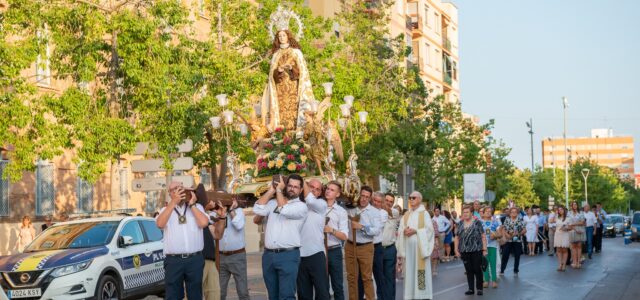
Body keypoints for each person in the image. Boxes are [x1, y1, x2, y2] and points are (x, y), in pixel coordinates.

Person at [253, 174, 308, 300]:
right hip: (268, 256)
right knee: (273, 296)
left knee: (287, 296)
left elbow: (284, 209)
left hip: (288, 256)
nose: (292, 189)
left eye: (295, 187)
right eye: (289, 185)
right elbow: (258, 209)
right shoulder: (273, 203)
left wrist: (278, 191)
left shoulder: (301, 207)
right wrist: (272, 189)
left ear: (300, 190)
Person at [155, 182, 210, 300]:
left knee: (195, 295)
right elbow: (160, 224)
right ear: (170, 194)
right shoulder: (165, 209)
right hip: (174, 261)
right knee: (173, 296)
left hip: (194, 259)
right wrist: (173, 203)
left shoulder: (197, 207)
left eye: (179, 188)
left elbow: (204, 223)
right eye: (173, 189)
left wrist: (192, 205)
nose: (177, 191)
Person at [396, 191, 435, 300]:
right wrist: (404, 231)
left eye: (413, 198)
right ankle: (410, 296)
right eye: (410, 198)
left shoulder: (424, 213)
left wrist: (416, 231)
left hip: (420, 251)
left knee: (420, 272)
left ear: (419, 200)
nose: (411, 200)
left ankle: (422, 296)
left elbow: (430, 231)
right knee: (409, 273)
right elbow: (400, 229)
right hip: (408, 251)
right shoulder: (406, 214)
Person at [345, 186, 381, 300]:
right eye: (362, 195)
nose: (364, 199)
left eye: (367, 197)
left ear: (370, 198)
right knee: (351, 278)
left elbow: (376, 230)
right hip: (350, 246)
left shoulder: (374, 212)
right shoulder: (350, 208)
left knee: (366, 278)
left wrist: (361, 227)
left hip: (366, 247)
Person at [297, 179, 330, 300]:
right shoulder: (297, 205)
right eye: (311, 187)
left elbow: (310, 200)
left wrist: (304, 183)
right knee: (303, 295)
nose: (314, 191)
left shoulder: (321, 204)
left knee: (323, 293)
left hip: (316, 254)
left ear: (321, 192)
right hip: (299, 255)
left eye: (317, 189)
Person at [218, 199, 250, 300]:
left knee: (242, 292)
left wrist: (231, 210)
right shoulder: (215, 213)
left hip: (237, 256)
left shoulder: (239, 211)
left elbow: (239, 225)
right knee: (219, 292)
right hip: (220, 257)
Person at [324, 181, 349, 300]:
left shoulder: (341, 212)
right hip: (319, 251)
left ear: (337, 194)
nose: (328, 191)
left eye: (332, 190)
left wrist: (331, 230)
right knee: (321, 286)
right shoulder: (317, 206)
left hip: (334, 251)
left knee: (337, 286)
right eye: (327, 188)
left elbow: (344, 236)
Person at [455, 206, 487, 296]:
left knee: (477, 269)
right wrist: (456, 250)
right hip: (464, 250)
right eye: (464, 212)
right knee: (469, 270)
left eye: (467, 212)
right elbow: (457, 237)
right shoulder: (460, 223)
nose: (465, 214)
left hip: (476, 249)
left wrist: (484, 249)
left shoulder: (477, 223)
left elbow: (483, 236)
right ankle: (471, 289)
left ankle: (479, 288)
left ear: (471, 213)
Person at [362, 192, 388, 300]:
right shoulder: (365, 209)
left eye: (379, 201)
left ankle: (381, 297)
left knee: (378, 275)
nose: (376, 203)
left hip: (376, 247)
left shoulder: (383, 213)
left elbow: (375, 230)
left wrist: (363, 227)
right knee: (365, 275)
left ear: (382, 203)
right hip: (364, 246)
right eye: (375, 200)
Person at [203, 197, 228, 300]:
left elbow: (217, 235)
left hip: (210, 261)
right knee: (193, 294)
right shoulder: (191, 213)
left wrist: (222, 218)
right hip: (196, 260)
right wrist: (204, 208)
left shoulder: (204, 217)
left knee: (214, 294)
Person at [380, 193, 400, 300]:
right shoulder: (376, 211)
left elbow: (388, 210)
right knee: (379, 278)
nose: (388, 203)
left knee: (389, 278)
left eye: (391, 201)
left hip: (390, 249)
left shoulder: (395, 212)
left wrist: (383, 205)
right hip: (378, 249)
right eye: (386, 200)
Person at [500, 207, 526, 276]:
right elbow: (504, 229)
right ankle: (502, 270)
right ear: (510, 213)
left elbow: (524, 230)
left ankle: (516, 271)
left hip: (517, 240)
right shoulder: (507, 220)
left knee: (517, 256)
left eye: (515, 212)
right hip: (508, 240)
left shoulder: (520, 220)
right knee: (505, 255)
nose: (513, 213)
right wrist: (507, 235)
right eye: (512, 212)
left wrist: (519, 234)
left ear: (517, 213)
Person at [481, 207, 501, 289]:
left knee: (493, 263)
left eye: (490, 211)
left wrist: (495, 235)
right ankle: (486, 280)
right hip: (483, 246)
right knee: (484, 264)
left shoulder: (495, 223)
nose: (488, 212)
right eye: (487, 211)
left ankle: (494, 281)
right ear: (483, 212)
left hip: (493, 245)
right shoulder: (479, 222)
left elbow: (500, 234)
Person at [568, 201, 586, 269]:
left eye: (576, 204)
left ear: (577, 206)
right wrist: (575, 227)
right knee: (573, 247)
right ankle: (574, 262)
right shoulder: (569, 213)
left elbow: (582, 222)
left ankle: (579, 262)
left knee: (579, 246)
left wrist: (574, 224)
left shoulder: (581, 213)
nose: (575, 206)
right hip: (572, 231)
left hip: (580, 231)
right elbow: (569, 223)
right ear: (571, 206)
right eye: (573, 205)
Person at [554, 206, 571, 271]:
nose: (560, 211)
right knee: (558, 250)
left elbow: (570, 227)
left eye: (561, 209)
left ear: (564, 210)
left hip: (565, 234)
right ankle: (560, 264)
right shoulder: (557, 217)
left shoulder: (568, 218)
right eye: (559, 210)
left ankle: (564, 265)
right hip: (557, 234)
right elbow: (550, 221)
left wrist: (565, 228)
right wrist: (554, 214)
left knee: (564, 250)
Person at [428, 211, 440, 276]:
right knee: (428, 256)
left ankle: (434, 269)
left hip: (432, 240)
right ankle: (429, 270)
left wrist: (436, 241)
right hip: (425, 241)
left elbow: (436, 233)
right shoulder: (423, 222)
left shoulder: (433, 222)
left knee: (434, 256)